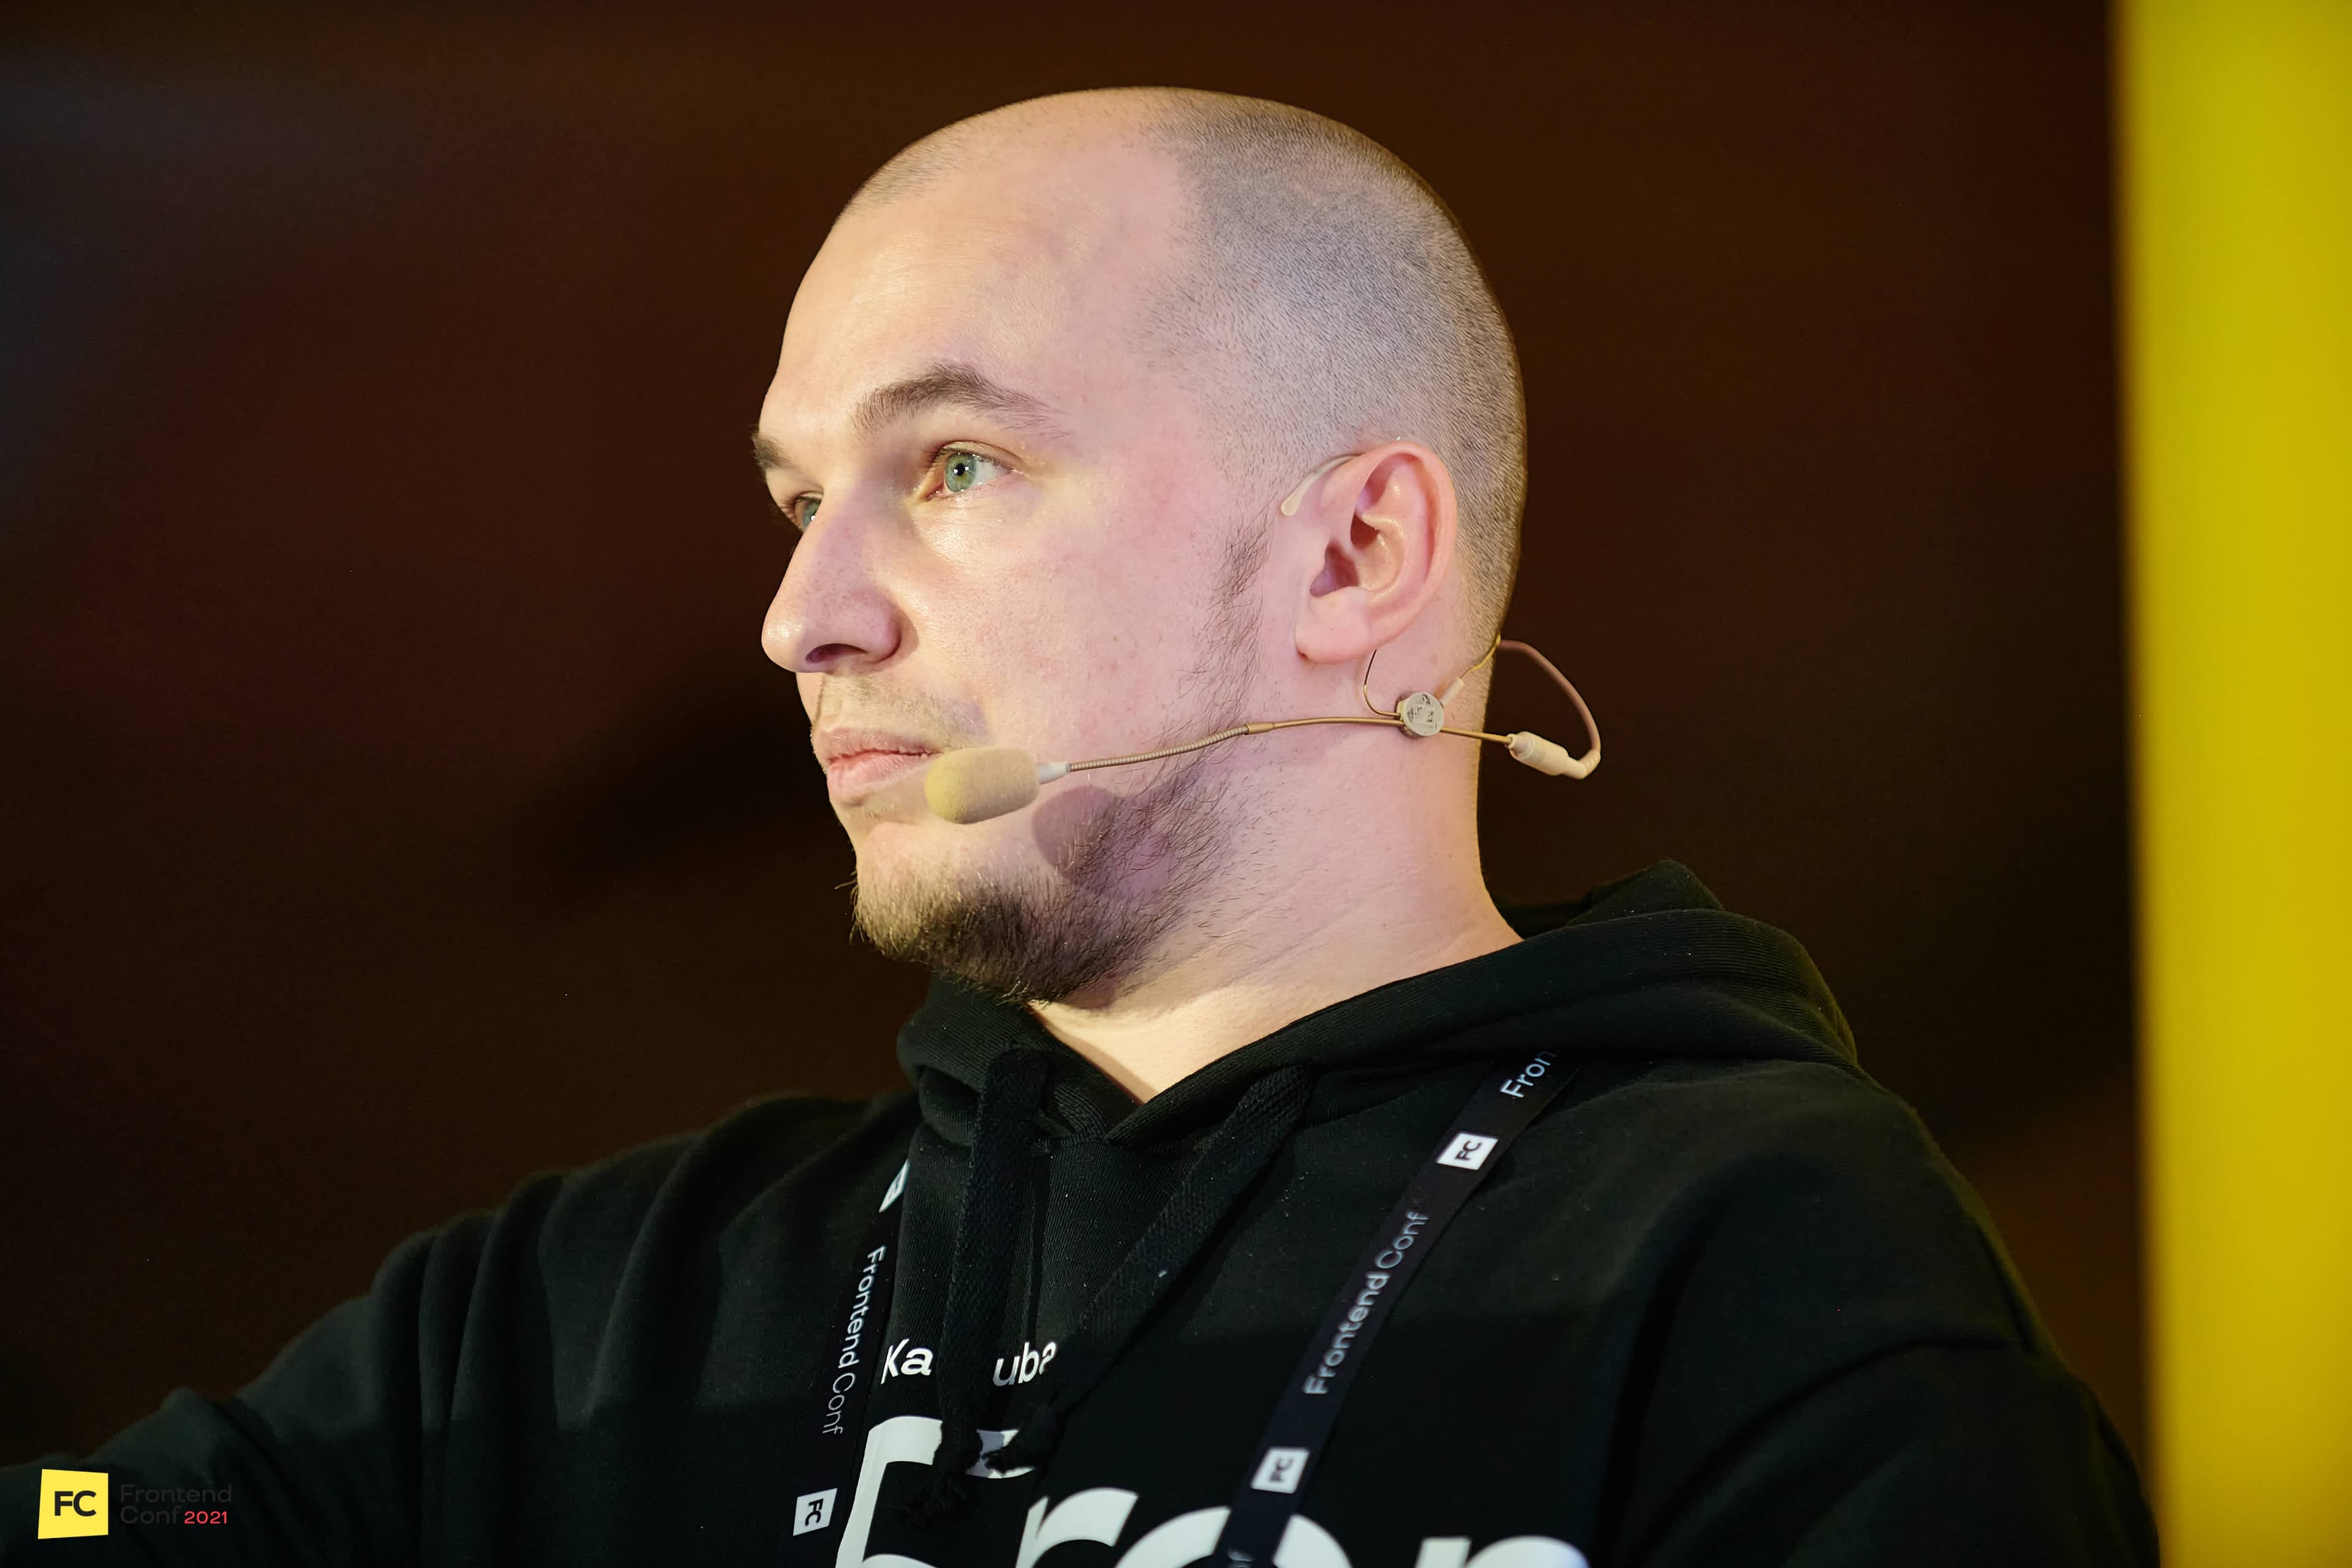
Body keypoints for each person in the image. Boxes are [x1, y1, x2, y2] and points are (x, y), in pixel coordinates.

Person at [1, 88, 2155, 1566]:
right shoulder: (597, 1311)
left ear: (1355, 555)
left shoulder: (1761, 1270)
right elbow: (106, 1522)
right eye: (798, 496)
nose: (801, 617)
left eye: (954, 466)